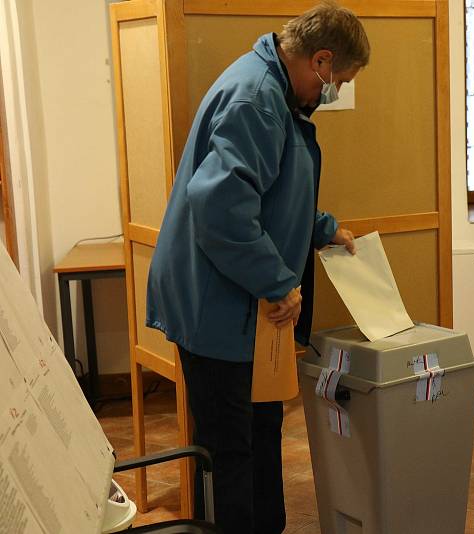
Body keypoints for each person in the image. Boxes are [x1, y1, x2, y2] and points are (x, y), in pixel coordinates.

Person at [145, 2, 369, 532]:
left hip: (236, 303)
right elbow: (220, 212)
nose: (332, 93)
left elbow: (266, 191)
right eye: (340, 81)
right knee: (232, 448)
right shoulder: (257, 100)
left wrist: (321, 227)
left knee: (261, 429)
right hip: (217, 305)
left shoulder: (275, 93)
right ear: (320, 60)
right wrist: (277, 281)